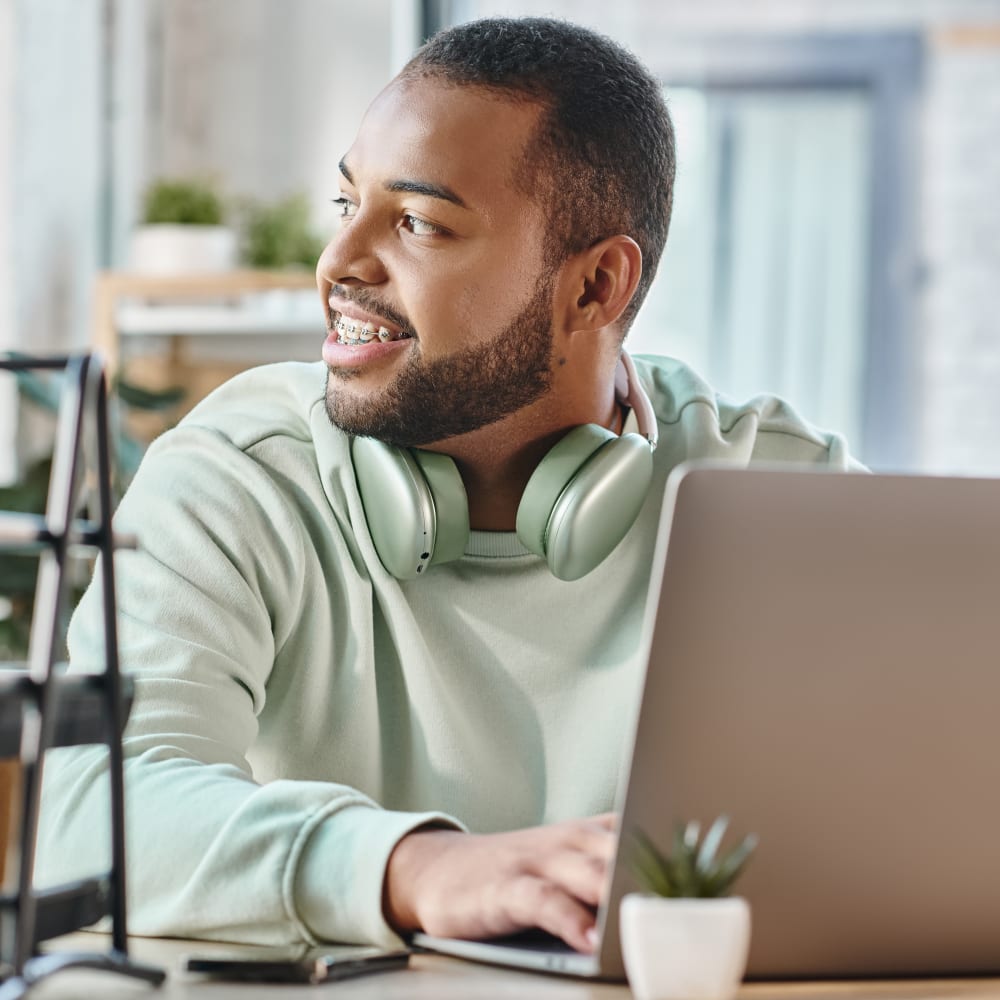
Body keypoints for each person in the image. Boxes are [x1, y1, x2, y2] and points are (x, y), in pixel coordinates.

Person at [38, 16, 858, 954]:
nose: (340, 266)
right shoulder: (239, 475)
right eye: (346, 204)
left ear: (595, 287)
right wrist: (412, 869)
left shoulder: (786, 492)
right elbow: (89, 805)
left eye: (418, 223)